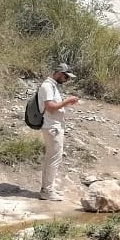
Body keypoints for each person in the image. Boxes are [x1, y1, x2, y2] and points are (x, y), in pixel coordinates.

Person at [37, 63, 79, 201]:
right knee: (54, 158)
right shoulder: (47, 86)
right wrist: (67, 101)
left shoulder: (52, 86)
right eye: (66, 76)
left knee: (52, 158)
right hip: (52, 127)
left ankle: (48, 188)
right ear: (59, 73)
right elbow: (50, 107)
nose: (66, 79)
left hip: (55, 126)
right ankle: (47, 190)